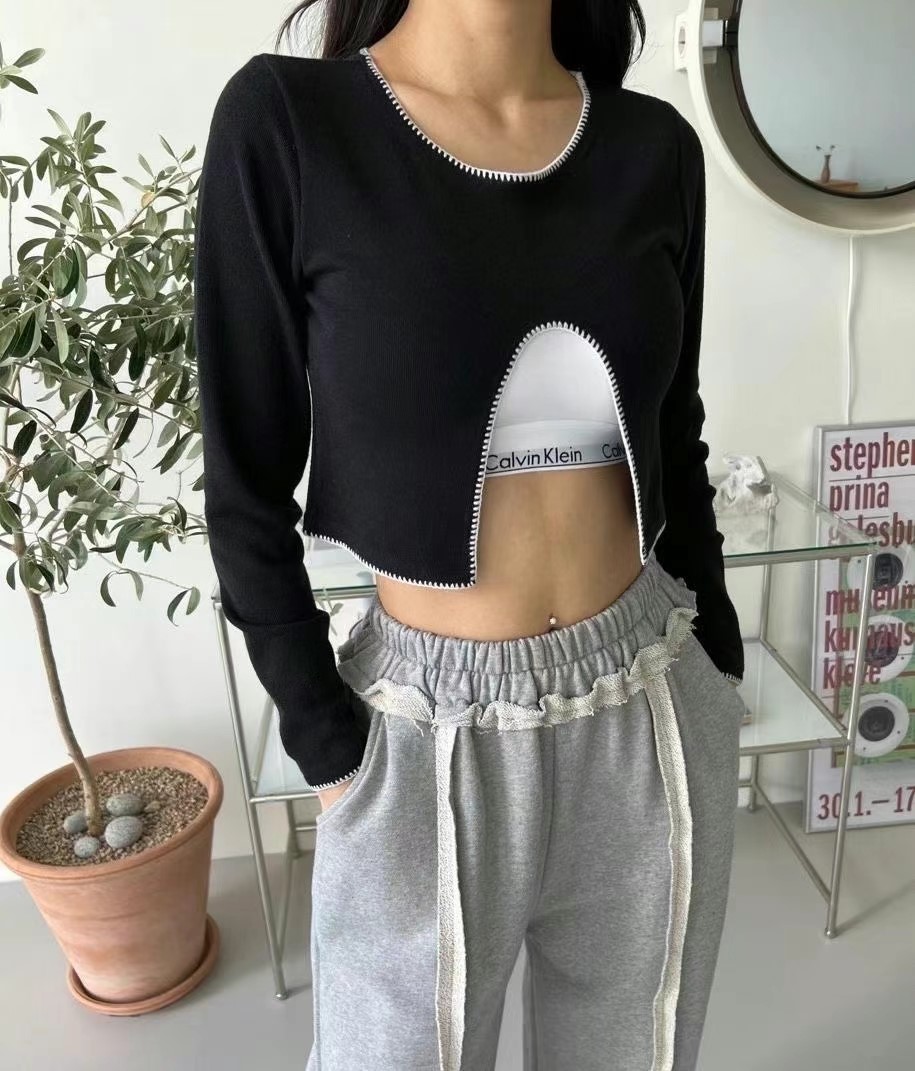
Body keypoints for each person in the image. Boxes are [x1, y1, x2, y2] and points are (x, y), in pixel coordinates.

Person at [193, 2, 747, 1069]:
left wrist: (715, 656)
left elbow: (673, 432)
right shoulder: (291, 125)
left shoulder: (655, 149)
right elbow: (243, 477)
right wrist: (328, 743)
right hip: (417, 732)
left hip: (650, 702)